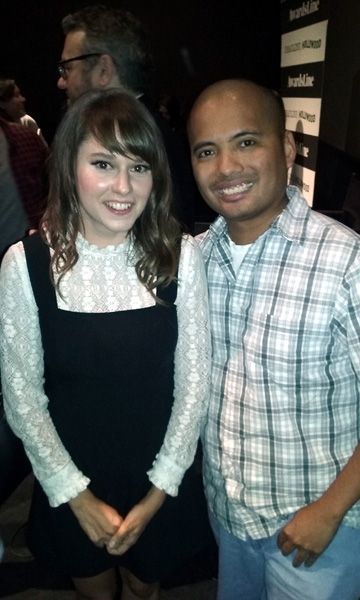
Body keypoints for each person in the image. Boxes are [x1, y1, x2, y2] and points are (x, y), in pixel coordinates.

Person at [0, 88, 211, 600]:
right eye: (102, 163)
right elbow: (22, 397)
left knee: (145, 589)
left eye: (139, 167)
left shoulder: (180, 256)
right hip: (71, 480)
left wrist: (158, 493)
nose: (123, 186)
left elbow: (195, 385)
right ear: (69, 165)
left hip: (162, 475)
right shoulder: (25, 264)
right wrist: (77, 497)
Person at [187, 78, 360, 600]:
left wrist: (328, 512)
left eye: (246, 142)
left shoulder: (345, 261)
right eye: (207, 151)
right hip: (229, 519)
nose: (226, 168)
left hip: (319, 532)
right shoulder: (192, 259)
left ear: (286, 147)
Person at [57, 4, 196, 233]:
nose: (61, 82)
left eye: (67, 68)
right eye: (102, 165)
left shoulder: (149, 138)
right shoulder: (156, 129)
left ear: (103, 69)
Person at [0, 78, 47, 143]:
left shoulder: (27, 121)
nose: (23, 99)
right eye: (16, 96)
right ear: (2, 104)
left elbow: (44, 150)